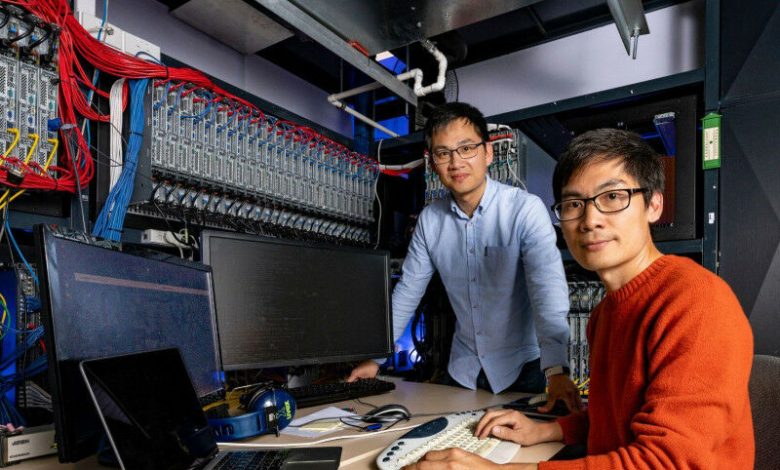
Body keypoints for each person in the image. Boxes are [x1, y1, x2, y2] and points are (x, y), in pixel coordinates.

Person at [406, 128, 755, 469]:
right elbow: (613, 418)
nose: (590, 220)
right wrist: (548, 430)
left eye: (613, 197)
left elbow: (669, 461)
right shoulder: (605, 314)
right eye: (574, 203)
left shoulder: (696, 302)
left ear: (654, 205)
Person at [348, 102, 580, 411]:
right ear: (433, 164)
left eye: (466, 148)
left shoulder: (524, 209)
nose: (456, 162)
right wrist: (375, 358)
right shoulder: (431, 221)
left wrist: (556, 371)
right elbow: (407, 294)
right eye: (444, 153)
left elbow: (546, 291)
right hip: (463, 370)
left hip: (525, 371)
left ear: (487, 153)